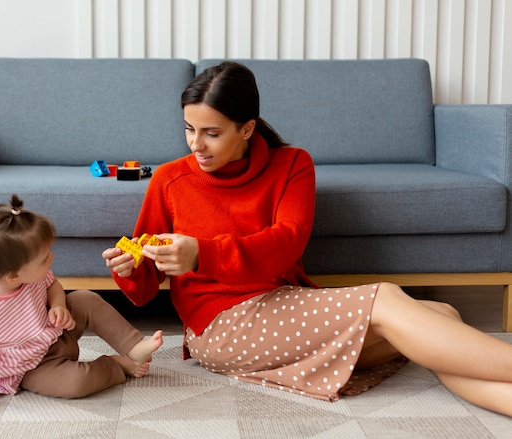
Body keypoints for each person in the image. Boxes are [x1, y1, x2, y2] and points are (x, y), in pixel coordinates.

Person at [103, 61, 512, 417]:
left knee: (441, 315)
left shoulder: (292, 164)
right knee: (390, 301)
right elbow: (141, 292)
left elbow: (288, 242)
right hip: (218, 326)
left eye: (211, 132)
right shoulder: (170, 179)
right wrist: (128, 268)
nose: (196, 144)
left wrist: (202, 253)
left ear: (246, 129)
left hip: (281, 304)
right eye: (189, 129)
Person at [0, 194, 163, 418]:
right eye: (44, 259)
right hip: (30, 369)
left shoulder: (29, 275)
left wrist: (58, 305)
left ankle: (133, 346)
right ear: (13, 276)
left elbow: (52, 285)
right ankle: (115, 365)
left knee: (84, 299)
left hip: (54, 332)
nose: (51, 258)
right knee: (76, 383)